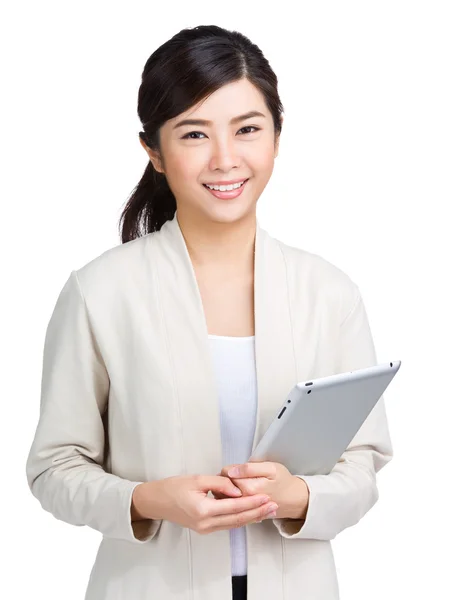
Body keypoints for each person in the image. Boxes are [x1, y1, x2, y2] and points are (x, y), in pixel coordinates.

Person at [26, 24, 393, 600]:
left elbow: (362, 465)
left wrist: (296, 496)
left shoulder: (328, 293)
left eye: (247, 129)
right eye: (194, 133)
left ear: (276, 137)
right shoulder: (100, 292)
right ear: (154, 152)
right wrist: (148, 500)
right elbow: (54, 468)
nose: (226, 159)